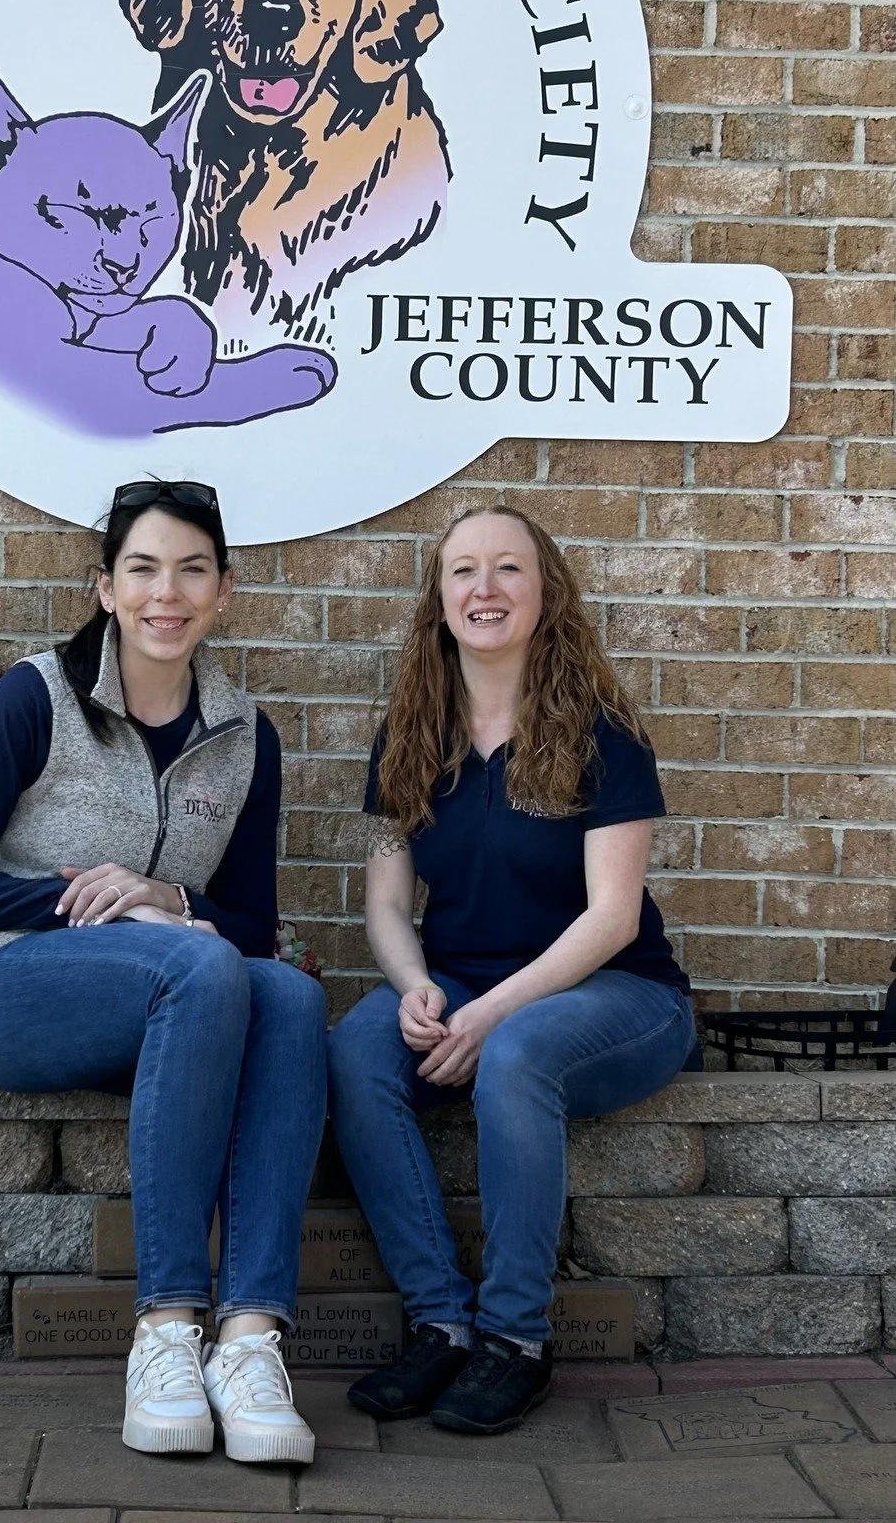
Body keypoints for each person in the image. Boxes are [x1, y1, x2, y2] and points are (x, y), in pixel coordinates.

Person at [0, 479, 326, 1466]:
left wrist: (166, 898)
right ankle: (167, 1326)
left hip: (174, 993)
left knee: (293, 994)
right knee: (202, 971)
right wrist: (81, 896)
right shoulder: (36, 696)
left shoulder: (245, 735)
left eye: (190, 569)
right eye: (141, 568)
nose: (164, 592)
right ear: (104, 586)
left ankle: (251, 1338)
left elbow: (251, 926)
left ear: (224, 590)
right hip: (7, 988)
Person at [328, 505, 695, 1436]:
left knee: (522, 1049)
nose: (484, 589)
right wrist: (415, 984)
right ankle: (441, 1322)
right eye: (462, 571)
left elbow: (611, 919)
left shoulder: (605, 735)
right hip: (458, 981)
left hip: (616, 996)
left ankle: (515, 1342)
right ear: (439, 598)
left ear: (545, 592)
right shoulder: (404, 739)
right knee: (360, 1048)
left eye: (507, 569)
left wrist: (487, 1014)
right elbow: (383, 902)